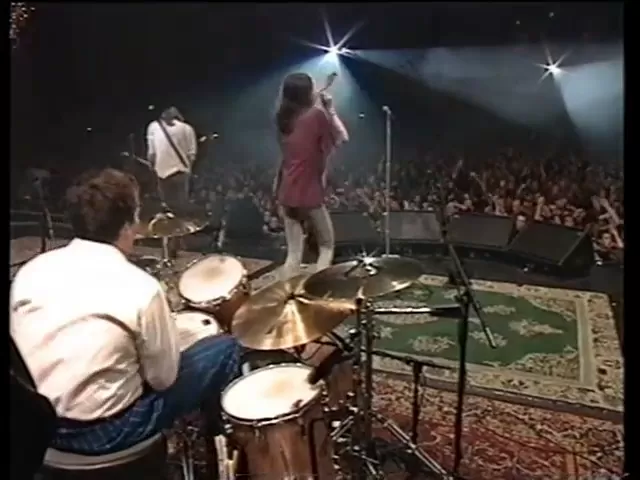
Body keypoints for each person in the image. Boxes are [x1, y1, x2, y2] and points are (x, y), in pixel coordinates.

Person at [10, 168, 240, 455]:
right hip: (105, 431)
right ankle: (217, 453)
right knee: (225, 348)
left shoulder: (30, 271)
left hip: (34, 423)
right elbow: (163, 380)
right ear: (129, 224)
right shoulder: (141, 287)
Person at [273, 72, 349, 280]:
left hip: (286, 190)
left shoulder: (282, 119)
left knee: (293, 254)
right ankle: (318, 290)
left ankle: (285, 291)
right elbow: (342, 138)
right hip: (308, 191)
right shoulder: (316, 116)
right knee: (326, 246)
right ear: (306, 93)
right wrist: (330, 110)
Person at [147, 106, 197, 257]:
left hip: (163, 174)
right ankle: (176, 247)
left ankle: (169, 250)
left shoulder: (154, 127)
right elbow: (192, 154)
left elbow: (151, 154)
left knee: (168, 211)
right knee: (179, 212)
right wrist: (187, 169)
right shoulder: (187, 129)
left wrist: (153, 167)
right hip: (180, 173)